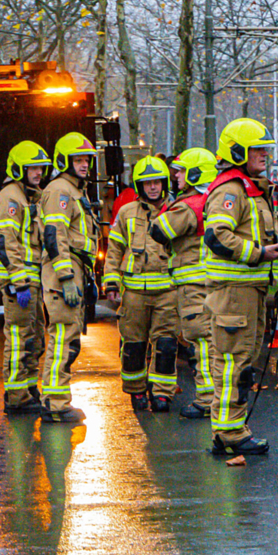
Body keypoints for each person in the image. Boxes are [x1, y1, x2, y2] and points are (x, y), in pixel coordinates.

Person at [202, 118, 278, 456]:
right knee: (233, 363)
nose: (265, 154)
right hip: (234, 293)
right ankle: (229, 433)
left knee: (242, 360)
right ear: (238, 152)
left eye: (265, 148)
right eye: (257, 149)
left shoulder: (249, 188)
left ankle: (232, 428)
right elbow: (216, 235)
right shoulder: (231, 190)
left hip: (248, 291)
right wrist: (258, 253)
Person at [104, 156, 177, 412]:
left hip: (168, 292)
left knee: (166, 346)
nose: (153, 187)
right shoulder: (126, 213)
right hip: (134, 293)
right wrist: (111, 282)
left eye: (157, 182)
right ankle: (136, 391)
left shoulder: (176, 211)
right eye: (147, 183)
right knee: (134, 345)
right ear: (139, 186)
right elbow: (114, 249)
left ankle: (162, 394)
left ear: (165, 183)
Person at [150, 147, 218, 419]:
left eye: (180, 172)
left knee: (201, 341)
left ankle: (207, 400)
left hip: (194, 286)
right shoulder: (214, 200)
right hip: (210, 282)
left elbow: (159, 230)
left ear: (195, 175)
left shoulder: (190, 205)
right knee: (212, 341)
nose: (175, 177)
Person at [38, 133, 100, 423]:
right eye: (78, 160)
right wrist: (65, 277)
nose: (84, 164)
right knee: (62, 339)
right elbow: (55, 236)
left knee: (67, 339)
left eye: (86, 159)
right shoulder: (60, 191)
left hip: (75, 269)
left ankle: (56, 400)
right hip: (64, 272)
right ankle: (56, 404)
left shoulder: (74, 190)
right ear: (65, 162)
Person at [0, 140, 51, 414]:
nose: (39, 172)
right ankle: (17, 397)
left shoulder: (29, 196)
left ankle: (28, 389)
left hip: (31, 281)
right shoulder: (10, 198)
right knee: (19, 338)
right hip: (20, 283)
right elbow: (6, 242)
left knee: (34, 337)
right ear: (19, 169)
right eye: (33, 168)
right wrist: (18, 281)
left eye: (41, 168)